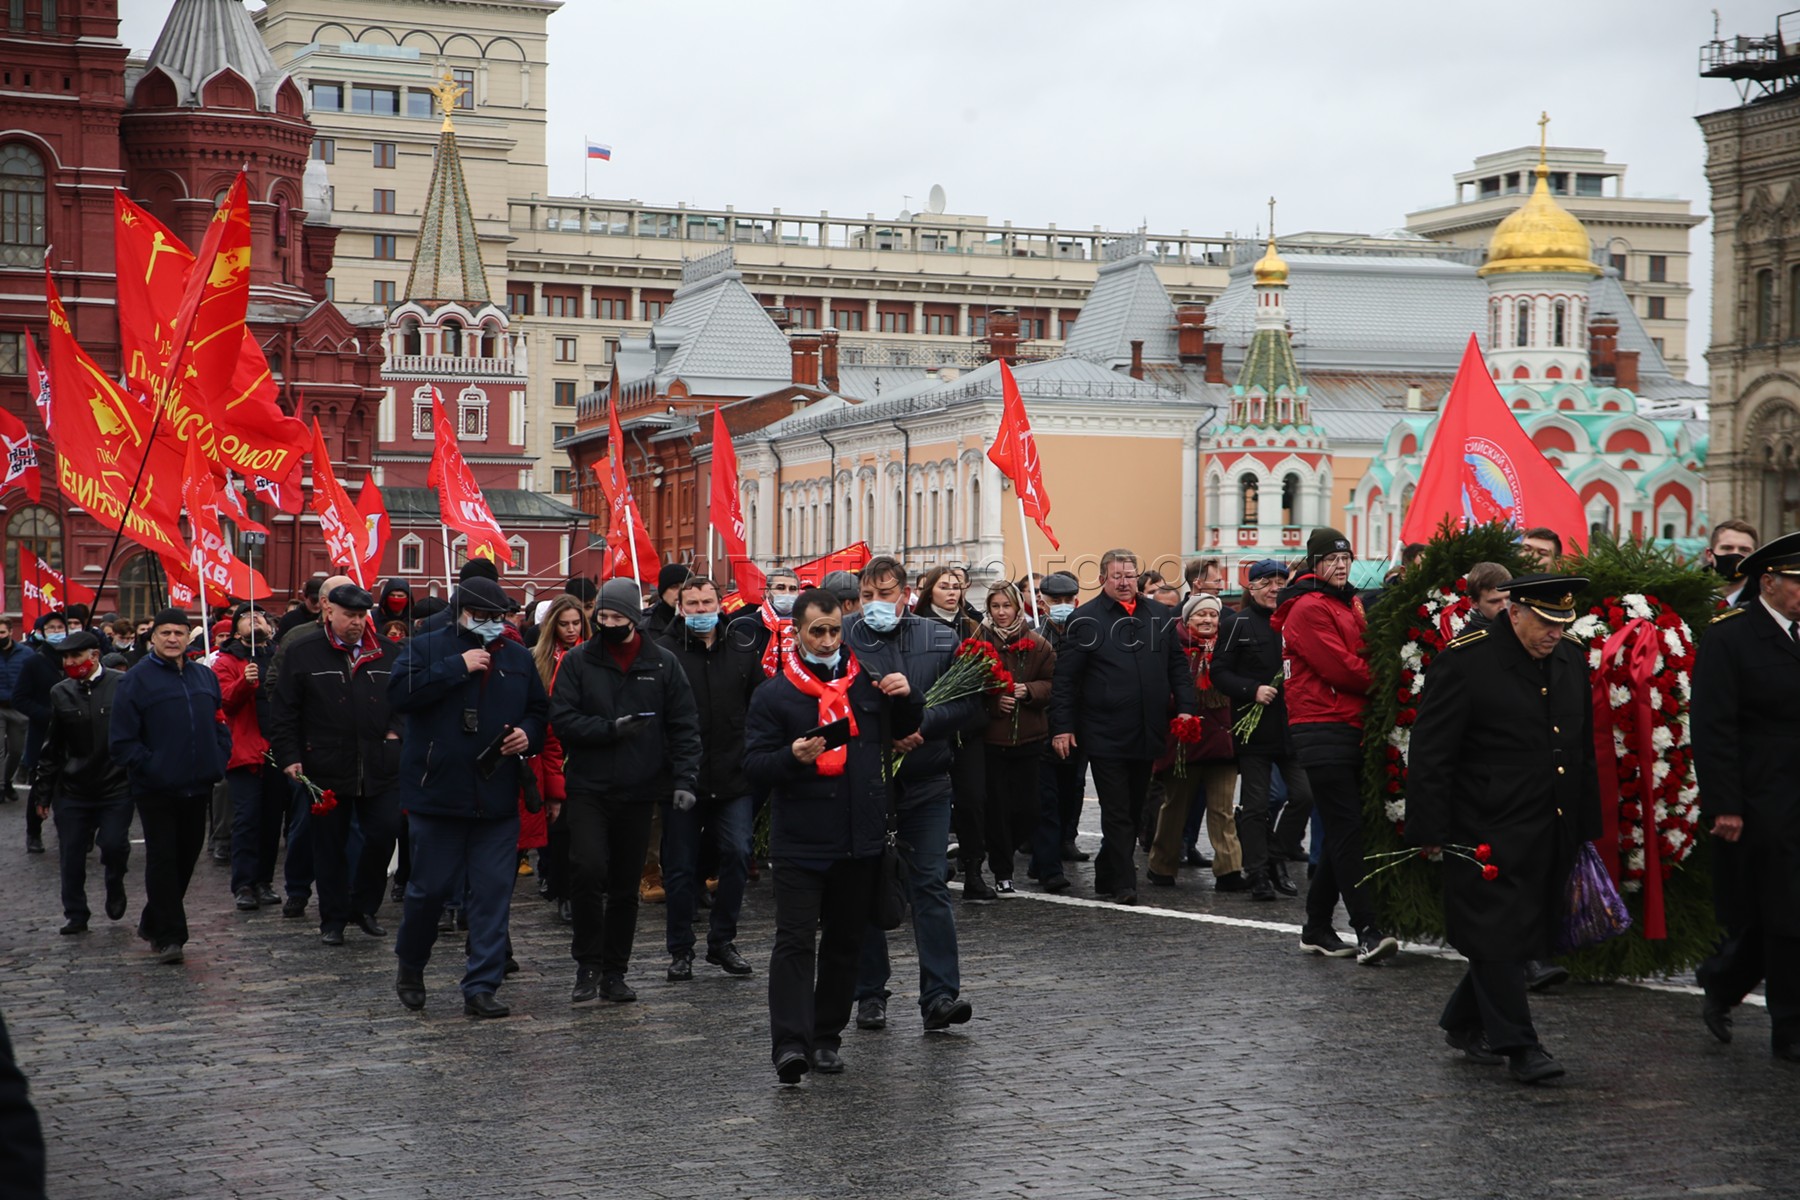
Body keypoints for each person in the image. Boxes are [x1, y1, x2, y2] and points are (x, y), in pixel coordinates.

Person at [1405, 574, 1602, 1083]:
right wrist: (1429, 826)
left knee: (1518, 932)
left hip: (1549, 821)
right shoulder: (1467, 660)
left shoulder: (1569, 658)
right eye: (1545, 621)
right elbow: (1431, 749)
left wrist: (1585, 823)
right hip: (1484, 825)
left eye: (1564, 622)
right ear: (1513, 613)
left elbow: (1579, 750)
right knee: (1497, 932)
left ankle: (1462, 1020)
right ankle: (1520, 1045)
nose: (1555, 632)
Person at [744, 586, 920, 1083]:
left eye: (833, 630)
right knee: (795, 943)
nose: (826, 640)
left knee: (845, 943)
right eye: (816, 631)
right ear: (796, 633)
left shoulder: (864, 681)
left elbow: (906, 725)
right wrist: (788, 758)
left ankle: (825, 1039)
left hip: (858, 839)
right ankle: (790, 1046)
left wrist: (909, 694)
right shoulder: (775, 694)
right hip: (801, 839)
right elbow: (754, 766)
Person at [389, 576, 546, 1017]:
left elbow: (538, 710)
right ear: (461, 613)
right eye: (484, 617)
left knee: (493, 893)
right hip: (438, 794)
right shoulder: (427, 647)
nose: (494, 624)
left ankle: (481, 984)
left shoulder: (516, 656)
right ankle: (412, 964)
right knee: (429, 890)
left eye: (500, 617)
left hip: (496, 795)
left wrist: (526, 735)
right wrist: (456, 667)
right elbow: (400, 695)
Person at [550, 578, 702, 1004]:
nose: (609, 623)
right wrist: (608, 730)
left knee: (623, 885)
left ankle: (615, 970)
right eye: (602, 617)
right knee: (587, 868)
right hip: (589, 787)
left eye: (617, 617)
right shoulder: (580, 660)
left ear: (634, 618)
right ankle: (587, 963)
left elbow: (684, 726)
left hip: (639, 789)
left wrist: (685, 779)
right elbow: (562, 718)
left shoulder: (662, 664)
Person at [847, 556, 980, 1033]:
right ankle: (868, 994)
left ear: (905, 594)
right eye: (867, 596)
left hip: (926, 780)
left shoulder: (940, 637)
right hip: (865, 782)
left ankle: (941, 995)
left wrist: (918, 725)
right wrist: (883, 734)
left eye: (885, 595)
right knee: (866, 884)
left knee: (929, 885)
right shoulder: (843, 635)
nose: (875, 605)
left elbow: (969, 703)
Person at [1691, 530, 1800, 1063]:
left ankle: (1722, 982)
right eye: (1799, 582)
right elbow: (1713, 728)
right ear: (1770, 582)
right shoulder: (1730, 637)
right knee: (1787, 913)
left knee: (1779, 912)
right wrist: (1725, 804)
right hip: (1764, 798)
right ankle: (1790, 1028)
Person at [1273, 528, 1398, 965]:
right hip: (1321, 726)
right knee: (1347, 828)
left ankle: (1316, 927)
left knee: (1346, 828)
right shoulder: (1307, 607)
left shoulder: (1350, 602)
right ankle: (1367, 929)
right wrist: (1388, 680)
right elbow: (1341, 667)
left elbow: (1362, 650)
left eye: (1346, 559)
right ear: (1314, 564)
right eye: (1330, 560)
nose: (1341, 566)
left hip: (1349, 725)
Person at [1050, 548, 1198, 906]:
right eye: (1116, 576)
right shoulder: (1085, 618)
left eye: (1129, 575)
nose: (1124, 582)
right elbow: (1066, 680)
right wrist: (1062, 727)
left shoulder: (1160, 614)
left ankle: (1106, 869)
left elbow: (1177, 666)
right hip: (1103, 731)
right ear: (1102, 579)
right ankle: (1124, 883)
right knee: (1116, 811)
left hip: (1148, 728)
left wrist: (1186, 709)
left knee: (1134, 808)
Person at [267, 584, 403, 947]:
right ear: (330, 613)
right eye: (350, 616)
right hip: (325, 763)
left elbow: (405, 702)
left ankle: (365, 906)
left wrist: (395, 734)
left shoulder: (388, 652)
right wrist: (290, 756)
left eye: (362, 616)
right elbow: (284, 711)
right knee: (329, 845)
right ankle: (334, 917)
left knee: (383, 834)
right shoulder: (303, 652)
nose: (357, 623)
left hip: (379, 765)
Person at [109, 609, 231, 964]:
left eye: (179, 633)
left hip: (198, 784)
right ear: (153, 638)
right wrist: (151, 765)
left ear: (188, 637)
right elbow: (122, 741)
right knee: (163, 858)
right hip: (156, 787)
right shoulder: (135, 681)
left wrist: (218, 756)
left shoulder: (204, 677)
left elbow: (219, 722)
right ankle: (171, 935)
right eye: (166, 633)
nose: (173, 639)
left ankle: (152, 919)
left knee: (187, 857)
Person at [656, 575, 761, 980]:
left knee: (737, 853)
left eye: (707, 602)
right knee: (680, 868)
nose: (701, 610)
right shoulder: (664, 652)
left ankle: (722, 941)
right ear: (681, 608)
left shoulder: (741, 649)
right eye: (693, 604)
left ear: (722, 604)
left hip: (733, 775)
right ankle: (680, 949)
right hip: (682, 779)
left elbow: (759, 704)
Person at [1213, 559, 1311, 899]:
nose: (1274, 589)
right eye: (1266, 583)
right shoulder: (1237, 624)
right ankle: (1258, 873)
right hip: (1254, 730)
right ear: (1251, 588)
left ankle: (1275, 856)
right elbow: (1219, 674)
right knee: (1255, 805)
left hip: (1292, 728)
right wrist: (1251, 689)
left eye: (1280, 582)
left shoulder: (1297, 621)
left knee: (1304, 795)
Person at [29, 632, 131, 935]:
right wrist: (43, 793)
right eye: (66, 658)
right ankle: (76, 912)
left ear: (94, 656)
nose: (71, 663)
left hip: (116, 785)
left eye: (77, 657)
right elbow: (53, 747)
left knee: (113, 845)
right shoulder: (60, 692)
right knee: (71, 854)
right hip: (74, 789)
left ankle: (115, 883)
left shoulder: (121, 685)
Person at [1146, 594, 1242, 891]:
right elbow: (1160, 690)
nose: (1208, 621)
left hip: (1222, 743)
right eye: (1201, 616)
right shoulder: (1172, 648)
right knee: (1175, 806)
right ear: (1187, 620)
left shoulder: (1227, 649)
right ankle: (1161, 866)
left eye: (1213, 616)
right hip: (1183, 742)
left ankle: (1229, 871)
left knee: (1222, 809)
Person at [913, 565, 993, 901]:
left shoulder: (973, 628)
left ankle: (973, 869)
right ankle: (925, 864)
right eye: (944, 586)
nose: (952, 592)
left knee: (972, 800)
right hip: (928, 729)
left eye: (957, 586)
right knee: (927, 800)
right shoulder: (915, 628)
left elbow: (988, 673)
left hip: (967, 729)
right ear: (930, 590)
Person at [977, 580, 1056, 895]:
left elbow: (1052, 684)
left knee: (1028, 809)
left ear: (1017, 606)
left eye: (1006, 606)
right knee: (996, 808)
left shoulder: (1038, 645)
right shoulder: (978, 641)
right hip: (991, 740)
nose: (1001, 613)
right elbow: (966, 688)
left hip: (1028, 737)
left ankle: (1010, 846)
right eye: (995, 607)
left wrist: (1030, 691)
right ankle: (1002, 869)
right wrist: (993, 702)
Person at [213, 606, 288, 913]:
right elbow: (224, 701)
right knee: (246, 819)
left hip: (278, 748)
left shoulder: (281, 656)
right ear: (235, 629)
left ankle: (264, 881)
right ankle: (243, 883)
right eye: (247, 616)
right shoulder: (227, 660)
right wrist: (245, 681)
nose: (255, 619)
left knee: (272, 820)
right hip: (246, 751)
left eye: (260, 616)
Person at [1028, 570, 1087, 891]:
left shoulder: (1087, 635)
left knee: (1070, 794)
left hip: (1079, 729)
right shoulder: (1034, 639)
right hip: (1042, 730)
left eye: (1068, 600)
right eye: (1056, 600)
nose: (1063, 605)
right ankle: (1050, 868)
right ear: (1043, 602)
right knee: (1045, 801)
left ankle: (1044, 857)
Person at [530, 595, 584, 923]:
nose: (571, 629)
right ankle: (560, 887)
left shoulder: (592, 655)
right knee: (558, 828)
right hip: (549, 747)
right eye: (564, 624)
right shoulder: (538, 659)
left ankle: (575, 889)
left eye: (576, 623)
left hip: (584, 746)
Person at [13, 613, 69, 853]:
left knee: (73, 785)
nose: (56, 631)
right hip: (43, 734)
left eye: (60, 627)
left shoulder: (73, 657)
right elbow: (20, 698)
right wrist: (45, 714)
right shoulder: (34, 662)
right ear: (43, 632)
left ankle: (74, 832)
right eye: (51, 628)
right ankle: (33, 832)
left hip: (75, 734)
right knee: (40, 784)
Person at [0, 617, 33, 803]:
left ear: (11, 632)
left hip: (18, 708)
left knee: (17, 750)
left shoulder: (26, 653)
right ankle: (0, 788)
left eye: (2, 633)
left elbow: (32, 677)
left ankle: (7, 781)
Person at [1702, 519, 1758, 607]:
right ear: (1709, 555)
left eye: (1744, 550)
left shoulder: (1765, 602)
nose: (1735, 554)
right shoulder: (1684, 595)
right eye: (1727, 548)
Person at [640, 563, 690, 639]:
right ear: (662, 592)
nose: (681, 592)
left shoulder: (700, 624)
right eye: (674, 587)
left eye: (686, 587)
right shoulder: (644, 628)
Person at [1464, 562, 1513, 632]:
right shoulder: (1470, 640)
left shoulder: (1527, 627)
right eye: (1495, 601)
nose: (1505, 606)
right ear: (1474, 602)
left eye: (1508, 598)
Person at [274, 576, 325, 641]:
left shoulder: (329, 618)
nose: (317, 603)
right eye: (314, 599)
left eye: (321, 599)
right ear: (304, 596)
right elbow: (279, 642)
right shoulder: (289, 619)